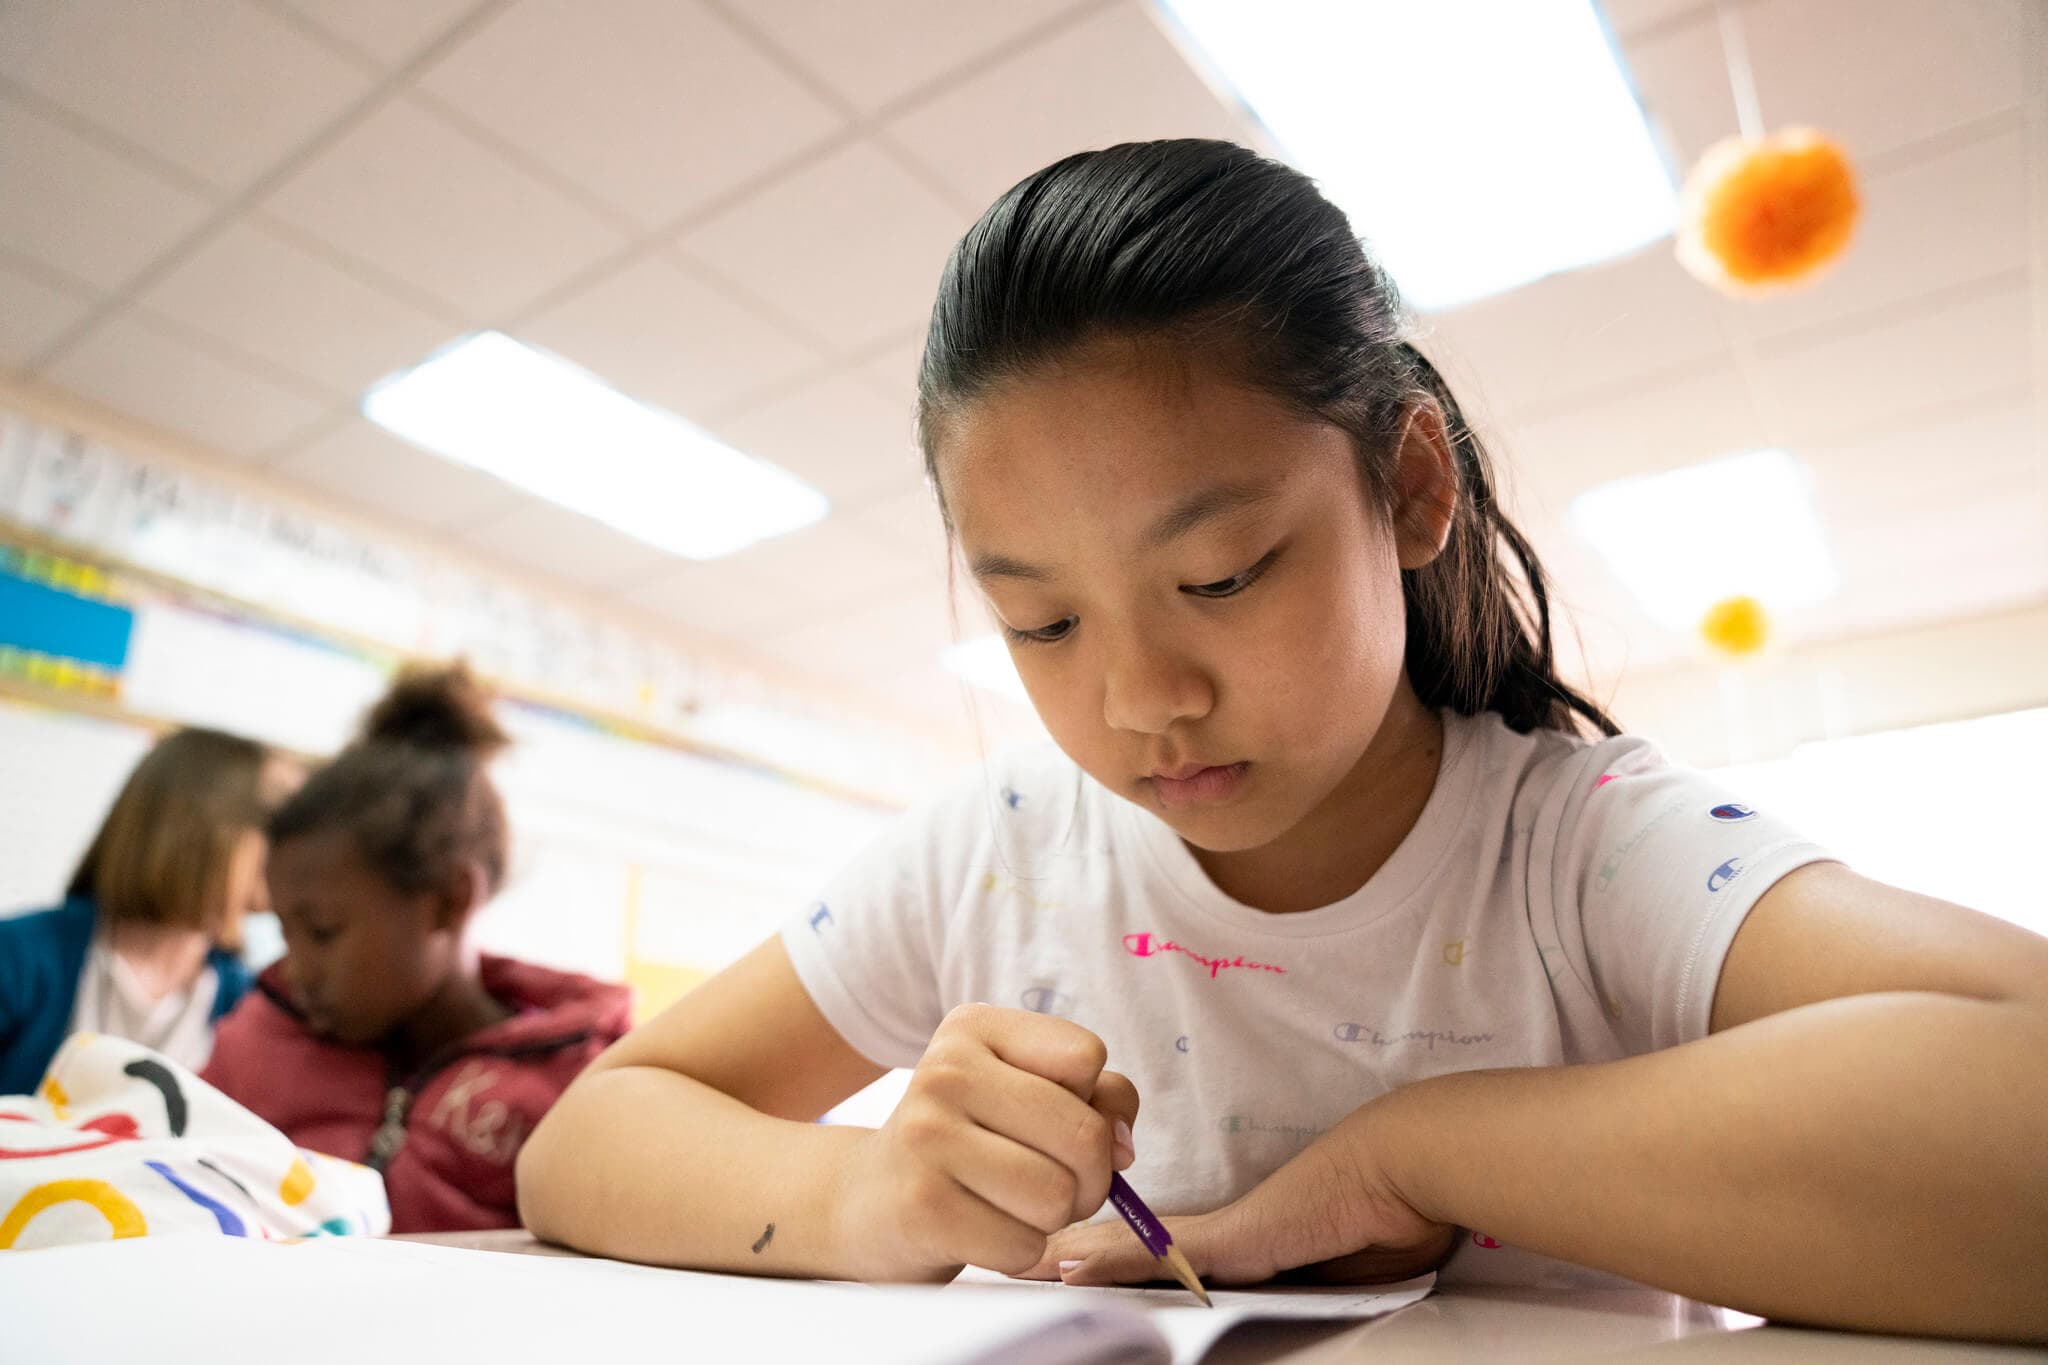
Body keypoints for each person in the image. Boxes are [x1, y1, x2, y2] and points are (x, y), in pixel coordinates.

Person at [515, 140, 2048, 1340]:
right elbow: (585, 1141)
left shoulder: (1578, 854)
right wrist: (875, 1190)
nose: (1140, 701)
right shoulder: (1005, 850)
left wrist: (1418, 1152)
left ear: (1411, 489)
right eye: (1042, 624)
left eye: (1222, 577)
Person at [203, 663, 630, 1232]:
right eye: (285, 933)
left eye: (325, 932)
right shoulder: (255, 1045)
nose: (298, 971)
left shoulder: (581, 1083)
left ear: (449, 902)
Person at [0, 727, 285, 1091]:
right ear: (198, 824)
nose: (295, 845)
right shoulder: (18, 957)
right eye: (274, 822)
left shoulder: (245, 1000)